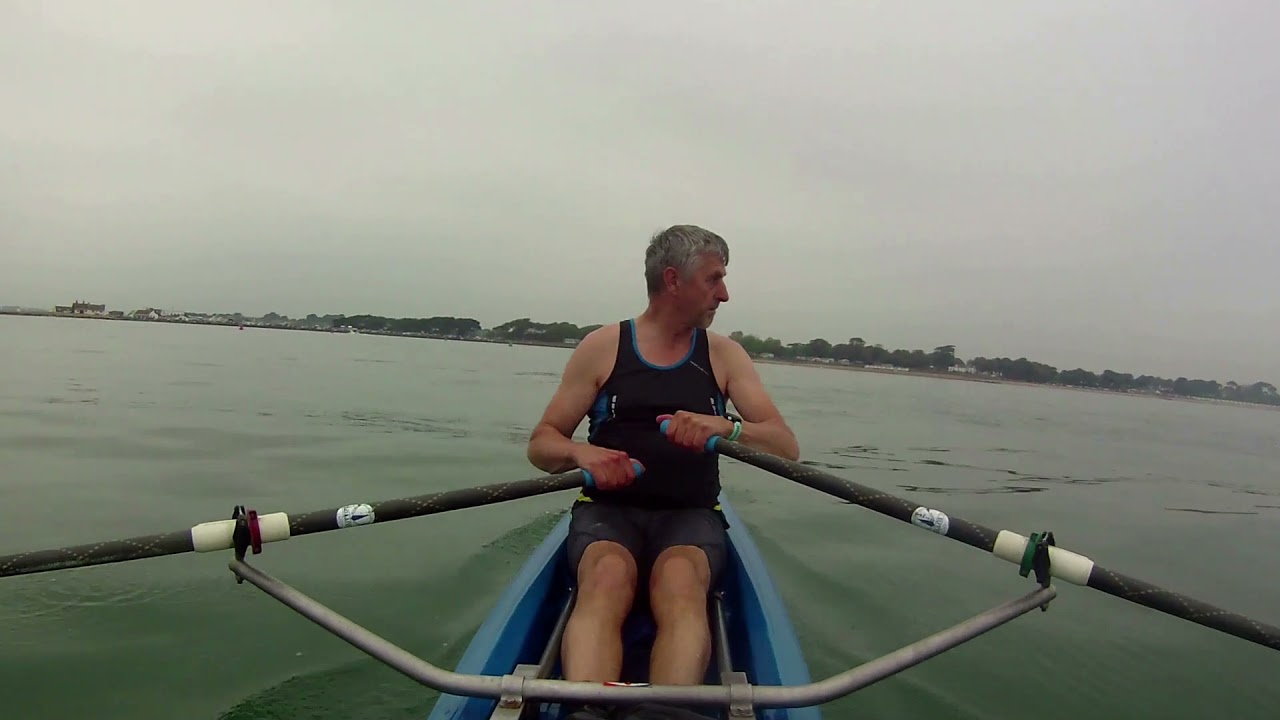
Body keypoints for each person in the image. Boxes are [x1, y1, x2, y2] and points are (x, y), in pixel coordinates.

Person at [526, 224, 800, 692]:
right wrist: (580, 452)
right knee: (608, 576)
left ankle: (665, 708)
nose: (725, 294)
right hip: (607, 512)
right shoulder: (602, 347)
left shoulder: (724, 355)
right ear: (674, 281)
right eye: (714, 279)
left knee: (678, 581)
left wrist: (727, 427)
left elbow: (785, 448)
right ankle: (591, 705)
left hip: (691, 516)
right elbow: (542, 444)